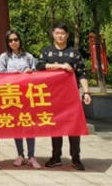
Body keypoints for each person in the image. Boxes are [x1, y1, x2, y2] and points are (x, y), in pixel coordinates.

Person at [37, 22, 92, 171]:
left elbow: (82, 73)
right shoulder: (47, 51)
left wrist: (86, 92)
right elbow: (39, 66)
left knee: (74, 128)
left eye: (62, 33)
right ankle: (56, 157)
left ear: (67, 35)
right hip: (53, 96)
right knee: (56, 127)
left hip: (71, 97)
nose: (60, 36)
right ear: (53, 34)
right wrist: (61, 66)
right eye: (57, 33)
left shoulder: (74, 53)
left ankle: (76, 158)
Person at [0, 29, 40, 169]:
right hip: (13, 95)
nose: (13, 42)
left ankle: (31, 156)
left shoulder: (28, 56)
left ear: (20, 40)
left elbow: (36, 74)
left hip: (27, 95)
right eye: (10, 40)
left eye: (16, 39)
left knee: (29, 125)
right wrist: (13, 75)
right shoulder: (4, 57)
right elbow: (0, 75)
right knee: (18, 125)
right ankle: (20, 154)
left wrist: (30, 72)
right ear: (7, 43)